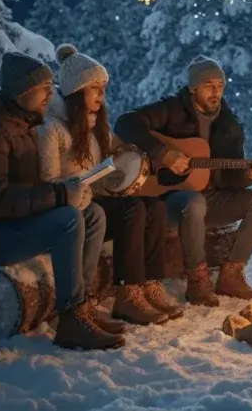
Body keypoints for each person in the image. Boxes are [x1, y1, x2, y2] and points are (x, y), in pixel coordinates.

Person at [0, 51, 122, 350]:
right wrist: (58, 195)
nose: (49, 95)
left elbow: (30, 188)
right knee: (67, 219)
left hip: (14, 223)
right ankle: (71, 317)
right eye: (44, 89)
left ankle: (85, 305)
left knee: (93, 214)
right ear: (23, 91)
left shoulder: (22, 126)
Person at [38, 44, 183, 327]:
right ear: (77, 90)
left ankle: (149, 284)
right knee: (132, 210)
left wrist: (128, 168)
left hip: (96, 198)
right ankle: (127, 293)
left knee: (152, 205)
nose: (102, 94)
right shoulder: (52, 127)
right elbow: (49, 183)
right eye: (95, 88)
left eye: (103, 87)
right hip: (74, 207)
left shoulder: (96, 126)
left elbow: (120, 156)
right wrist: (84, 185)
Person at [113, 55, 252, 307]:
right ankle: (197, 280)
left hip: (210, 199)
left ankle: (231, 275)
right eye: (209, 85)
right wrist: (164, 154)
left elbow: (230, 177)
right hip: (166, 200)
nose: (215, 92)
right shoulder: (171, 109)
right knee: (195, 201)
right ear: (193, 87)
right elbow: (125, 123)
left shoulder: (229, 125)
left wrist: (250, 174)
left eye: (220, 86)